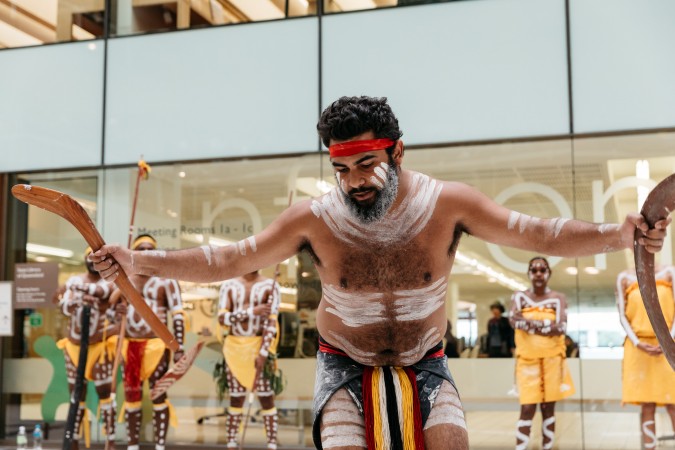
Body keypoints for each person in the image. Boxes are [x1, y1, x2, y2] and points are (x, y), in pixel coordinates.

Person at [91, 96, 669, 450]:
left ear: (397, 153)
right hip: (342, 363)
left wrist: (618, 234)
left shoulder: (449, 204)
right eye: (341, 169)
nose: (354, 181)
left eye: (367, 164)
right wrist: (139, 260)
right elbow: (228, 260)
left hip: (427, 361)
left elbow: (538, 233)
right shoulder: (313, 218)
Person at [110, 235, 185, 450]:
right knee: (132, 394)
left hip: (157, 346)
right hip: (130, 345)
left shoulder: (167, 280)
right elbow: (110, 313)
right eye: (140, 248)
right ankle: (133, 445)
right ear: (134, 252)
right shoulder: (123, 279)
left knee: (159, 393)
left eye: (149, 249)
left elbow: (178, 314)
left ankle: (160, 446)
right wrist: (118, 312)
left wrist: (178, 347)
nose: (145, 251)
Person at [55, 247, 117, 450]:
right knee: (76, 396)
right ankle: (72, 442)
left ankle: (110, 442)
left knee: (105, 394)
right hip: (73, 347)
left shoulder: (108, 282)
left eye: (97, 259)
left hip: (99, 348)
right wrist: (74, 302)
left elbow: (102, 293)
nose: (92, 262)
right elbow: (61, 304)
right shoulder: (74, 280)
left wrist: (79, 292)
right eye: (89, 258)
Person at [509, 256, 574, 450]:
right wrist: (546, 324)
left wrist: (529, 325)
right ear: (529, 273)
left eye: (542, 270)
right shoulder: (519, 297)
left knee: (548, 409)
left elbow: (561, 327)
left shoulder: (558, 298)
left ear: (549, 273)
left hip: (553, 361)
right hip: (527, 362)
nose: (538, 274)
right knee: (527, 408)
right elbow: (514, 321)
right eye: (534, 270)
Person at [218, 270, 281, 449]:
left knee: (266, 397)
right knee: (236, 398)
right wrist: (251, 311)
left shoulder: (271, 286)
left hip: (258, 347)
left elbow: (271, 322)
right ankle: (231, 442)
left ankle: (271, 444)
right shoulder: (229, 285)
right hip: (233, 349)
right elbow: (222, 319)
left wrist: (264, 352)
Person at [616, 265, 675, 449]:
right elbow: (622, 315)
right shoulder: (623, 277)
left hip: (668, 345)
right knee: (647, 404)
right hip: (639, 347)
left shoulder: (670, 273)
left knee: (673, 403)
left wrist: (668, 339)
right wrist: (636, 342)